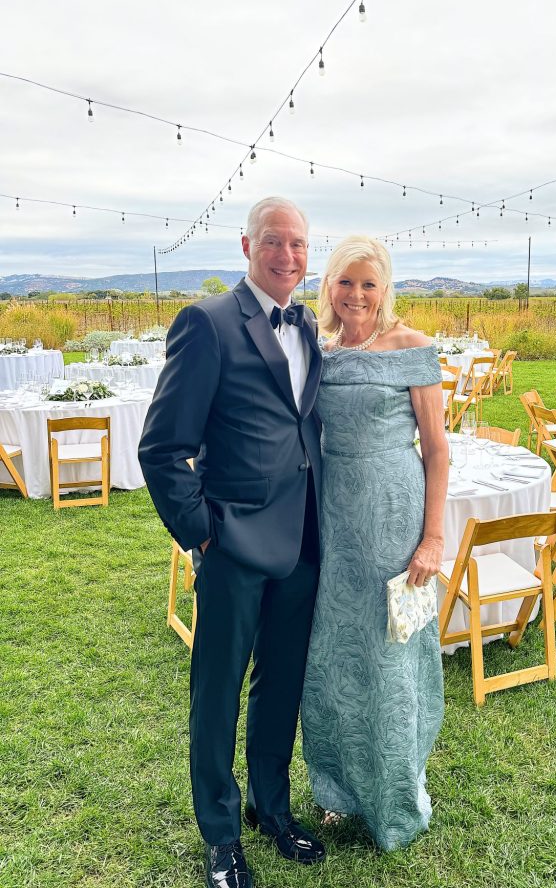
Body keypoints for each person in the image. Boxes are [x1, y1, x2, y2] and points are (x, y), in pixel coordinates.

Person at [139, 197, 326, 888]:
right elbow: (162, 448)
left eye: (299, 244)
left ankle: (269, 810)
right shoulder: (208, 323)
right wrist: (203, 535)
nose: (287, 255)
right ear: (246, 246)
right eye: (274, 241)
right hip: (235, 545)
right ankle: (220, 838)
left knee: (280, 688)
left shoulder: (308, 324)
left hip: (303, 542)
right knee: (216, 695)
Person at [300, 234, 449, 851]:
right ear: (328, 287)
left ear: (385, 289)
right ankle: (336, 789)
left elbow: (438, 450)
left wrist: (433, 537)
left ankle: (395, 797)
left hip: (393, 518)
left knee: (390, 654)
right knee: (331, 654)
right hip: (331, 520)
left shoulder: (412, 348)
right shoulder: (319, 352)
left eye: (369, 282)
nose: (356, 294)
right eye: (345, 281)